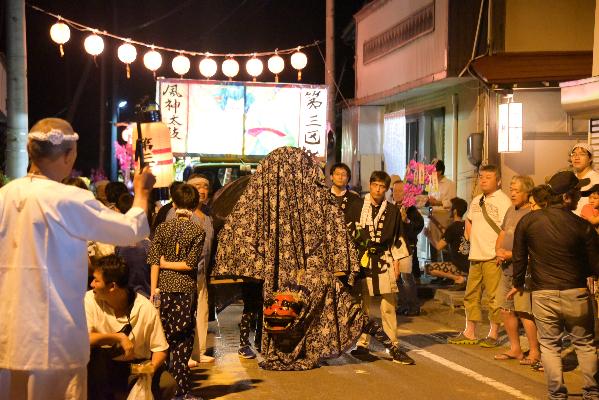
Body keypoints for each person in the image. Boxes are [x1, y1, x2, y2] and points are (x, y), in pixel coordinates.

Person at [213, 147, 414, 370]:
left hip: (281, 278)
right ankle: (390, 346)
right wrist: (344, 266)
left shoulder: (259, 198)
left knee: (292, 312)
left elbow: (235, 236)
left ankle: (388, 345)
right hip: (313, 276)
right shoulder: (316, 198)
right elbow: (338, 234)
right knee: (348, 311)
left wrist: (253, 267)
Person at [0, 118, 155, 400]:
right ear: (70, 154)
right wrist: (142, 193)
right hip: (56, 339)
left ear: (29, 149)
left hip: (9, 337)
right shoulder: (68, 199)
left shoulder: (4, 196)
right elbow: (131, 230)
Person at [512, 170, 599, 400]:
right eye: (577, 192)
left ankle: (557, 394)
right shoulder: (583, 226)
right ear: (566, 197)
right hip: (576, 292)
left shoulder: (528, 221)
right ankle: (592, 392)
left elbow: (519, 257)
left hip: (543, 293)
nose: (580, 196)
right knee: (585, 344)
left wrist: (518, 282)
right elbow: (596, 266)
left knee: (549, 346)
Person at [85, 255, 175, 400]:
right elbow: (83, 338)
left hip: (134, 366)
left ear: (112, 286)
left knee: (167, 383)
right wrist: (118, 337)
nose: (92, 284)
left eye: (96, 280)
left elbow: (160, 349)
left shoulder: (144, 307)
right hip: (101, 367)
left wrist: (150, 368)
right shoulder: (90, 300)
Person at [148, 183, 206, 399]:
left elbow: (154, 261)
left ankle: (161, 390)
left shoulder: (162, 228)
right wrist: (170, 264)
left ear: (173, 204)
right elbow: (190, 265)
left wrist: (154, 289)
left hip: (162, 290)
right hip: (184, 291)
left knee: (161, 340)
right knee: (182, 341)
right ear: (195, 204)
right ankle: (180, 391)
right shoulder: (197, 230)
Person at [350, 171, 414, 364]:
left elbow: (397, 240)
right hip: (363, 259)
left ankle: (392, 342)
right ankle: (362, 342)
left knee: (388, 305)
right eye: (375, 185)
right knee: (364, 305)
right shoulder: (357, 206)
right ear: (370, 185)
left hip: (385, 258)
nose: (378, 189)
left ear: (386, 189)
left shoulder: (393, 211)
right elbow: (349, 234)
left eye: (382, 186)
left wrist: (396, 264)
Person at [448, 165, 511, 347]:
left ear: (498, 180)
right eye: (481, 177)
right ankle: (470, 332)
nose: (483, 180)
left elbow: (506, 230)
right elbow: (469, 219)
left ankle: (493, 333)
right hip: (475, 256)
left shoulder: (503, 201)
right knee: (471, 295)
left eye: (488, 177)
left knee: (493, 297)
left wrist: (500, 251)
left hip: (493, 257)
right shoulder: (477, 200)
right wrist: (469, 236)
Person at [492, 176, 540, 366]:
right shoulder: (511, 210)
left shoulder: (533, 213)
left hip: (523, 270)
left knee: (524, 312)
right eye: (511, 189)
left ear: (528, 192)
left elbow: (532, 247)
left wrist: (511, 254)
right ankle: (515, 348)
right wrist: (498, 250)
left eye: (517, 190)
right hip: (505, 268)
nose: (512, 193)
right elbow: (503, 233)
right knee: (505, 309)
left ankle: (535, 352)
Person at [169, 174, 216, 365]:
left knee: (202, 310)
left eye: (205, 186)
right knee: (184, 312)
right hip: (182, 272)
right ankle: (185, 352)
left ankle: (199, 351)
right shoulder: (177, 213)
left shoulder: (208, 214)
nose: (202, 189)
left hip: (201, 272)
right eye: (197, 186)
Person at [391, 178, 424, 316]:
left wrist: (407, 221)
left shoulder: (411, 210)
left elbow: (418, 226)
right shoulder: (391, 207)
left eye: (401, 191)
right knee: (396, 278)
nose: (398, 193)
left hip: (406, 248)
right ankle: (403, 304)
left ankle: (414, 306)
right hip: (393, 248)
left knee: (406, 277)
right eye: (395, 191)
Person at [425, 197, 470, 290]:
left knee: (428, 268)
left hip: (458, 267)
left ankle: (458, 278)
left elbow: (438, 246)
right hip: (470, 266)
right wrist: (434, 221)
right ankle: (466, 277)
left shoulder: (452, 227)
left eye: (451, 208)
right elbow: (447, 232)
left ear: (455, 211)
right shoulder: (467, 224)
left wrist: (429, 236)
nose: (449, 210)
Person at [427, 159, 457, 263]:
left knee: (444, 242)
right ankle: (435, 270)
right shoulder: (431, 184)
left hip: (444, 216)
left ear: (439, 172)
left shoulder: (450, 184)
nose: (430, 173)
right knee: (432, 242)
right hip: (433, 215)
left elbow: (452, 202)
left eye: (433, 171)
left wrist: (438, 203)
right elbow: (430, 201)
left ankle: (447, 271)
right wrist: (429, 214)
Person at [570, 142, 599, 216]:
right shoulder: (570, 179)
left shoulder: (596, 179)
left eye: (582, 154)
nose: (576, 157)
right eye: (574, 154)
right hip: (568, 221)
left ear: (590, 158)